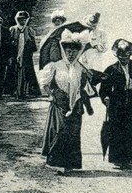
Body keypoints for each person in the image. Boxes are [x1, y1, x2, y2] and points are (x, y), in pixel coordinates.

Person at [40, 34, 99, 173]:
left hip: (75, 104)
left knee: (73, 134)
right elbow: (45, 83)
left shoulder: (80, 67)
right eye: (68, 51)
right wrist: (52, 94)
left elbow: (85, 86)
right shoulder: (56, 66)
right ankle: (56, 163)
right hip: (60, 104)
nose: (71, 54)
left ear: (78, 53)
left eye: (74, 52)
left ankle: (70, 164)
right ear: (64, 52)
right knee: (60, 132)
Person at [99, 39, 132, 169]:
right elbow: (103, 90)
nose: (124, 60)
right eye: (121, 57)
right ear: (117, 56)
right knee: (117, 131)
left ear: (130, 55)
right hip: (117, 105)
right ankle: (118, 159)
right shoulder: (110, 70)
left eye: (126, 57)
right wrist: (106, 99)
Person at [11, 11, 41, 98]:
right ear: (17, 20)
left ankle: (26, 91)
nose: (22, 22)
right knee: (15, 72)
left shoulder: (29, 30)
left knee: (27, 72)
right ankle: (15, 91)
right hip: (16, 53)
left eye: (24, 20)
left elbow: (34, 46)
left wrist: (29, 43)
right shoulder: (13, 30)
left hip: (26, 54)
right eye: (20, 20)